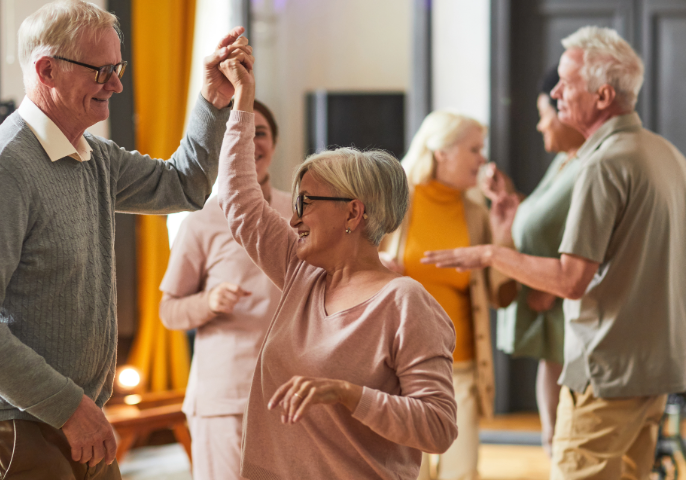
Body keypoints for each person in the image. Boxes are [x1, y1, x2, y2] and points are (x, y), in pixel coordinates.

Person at [422, 26, 686, 480]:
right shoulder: (670, 156)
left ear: (603, 95)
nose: (555, 92)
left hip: (605, 376)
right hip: (659, 371)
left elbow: (571, 281)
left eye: (566, 83)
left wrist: (492, 254)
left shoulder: (602, 164)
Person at [0, 1, 247, 478]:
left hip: (77, 419)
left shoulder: (95, 156)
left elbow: (185, 185)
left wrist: (212, 101)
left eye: (118, 68)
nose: (115, 84)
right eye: (102, 71)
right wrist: (70, 408)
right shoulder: (9, 167)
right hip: (24, 427)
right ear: (47, 70)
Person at [214, 46, 458, 479]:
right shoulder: (299, 271)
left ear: (353, 212)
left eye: (306, 202)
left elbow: (438, 427)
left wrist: (348, 394)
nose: (293, 217)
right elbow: (240, 201)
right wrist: (242, 101)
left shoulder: (404, 302)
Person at [159, 99, 291, 480]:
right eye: (241, 133)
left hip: (291, 395)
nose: (251, 142)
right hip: (226, 398)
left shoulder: (298, 215)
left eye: (260, 133)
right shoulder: (201, 218)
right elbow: (169, 311)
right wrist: (208, 302)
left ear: (274, 144)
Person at [380, 111, 515, 480]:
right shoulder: (392, 202)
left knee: (462, 471)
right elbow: (350, 266)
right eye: (474, 149)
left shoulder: (475, 213)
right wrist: (376, 264)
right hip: (399, 368)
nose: (482, 159)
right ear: (442, 152)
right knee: (408, 472)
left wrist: (503, 233)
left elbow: (502, 294)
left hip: (462, 368)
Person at [483, 67, 585, 457]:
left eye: (545, 113)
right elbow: (546, 218)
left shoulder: (588, 168)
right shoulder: (562, 162)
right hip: (550, 311)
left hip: (566, 305)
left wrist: (555, 292)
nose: (541, 125)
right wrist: (510, 199)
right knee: (556, 439)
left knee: (572, 441)